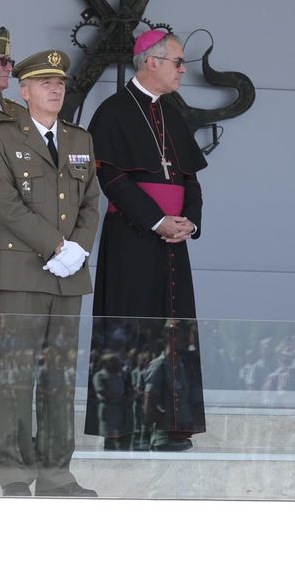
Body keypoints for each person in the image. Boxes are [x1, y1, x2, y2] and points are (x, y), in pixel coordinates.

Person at [0, 49, 101, 497]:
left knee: (60, 374)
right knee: (17, 373)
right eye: (45, 83)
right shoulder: (1, 136)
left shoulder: (79, 139)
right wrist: (55, 245)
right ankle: (13, 473)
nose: (56, 89)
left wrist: (79, 249)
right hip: (24, 269)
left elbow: (91, 202)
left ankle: (56, 473)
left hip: (69, 272)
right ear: (24, 90)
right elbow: (5, 203)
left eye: (61, 83)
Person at [84, 30, 209, 452]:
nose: (183, 69)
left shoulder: (174, 114)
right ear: (150, 62)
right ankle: (126, 428)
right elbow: (112, 178)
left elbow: (190, 177)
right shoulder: (113, 112)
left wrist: (189, 221)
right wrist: (157, 221)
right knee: (131, 326)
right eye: (177, 61)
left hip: (174, 241)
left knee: (172, 330)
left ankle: (169, 425)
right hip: (134, 236)